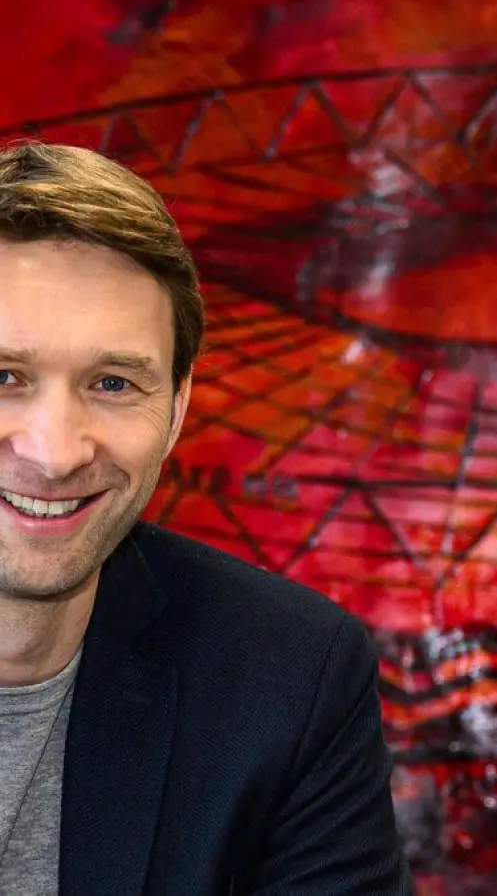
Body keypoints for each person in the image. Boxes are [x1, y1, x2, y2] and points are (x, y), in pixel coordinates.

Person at [0, 142, 410, 894]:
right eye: (4, 376)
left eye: (114, 382)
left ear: (178, 408)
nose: (55, 451)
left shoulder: (286, 675)